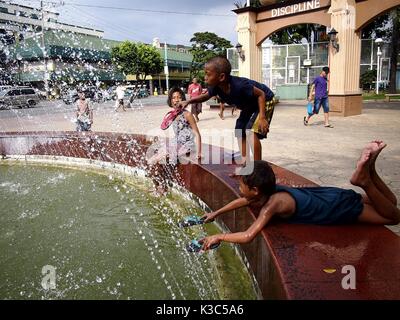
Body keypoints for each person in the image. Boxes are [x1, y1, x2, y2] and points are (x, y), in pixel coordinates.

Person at [200, 141, 400, 250]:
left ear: (255, 190)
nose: (238, 185)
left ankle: (364, 181)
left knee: (394, 217)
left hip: (336, 208)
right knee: (390, 202)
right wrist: (216, 213)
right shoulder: (267, 188)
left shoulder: (272, 205)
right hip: (330, 195)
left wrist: (220, 236)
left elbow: (248, 235)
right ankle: (370, 170)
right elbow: (243, 200)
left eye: (241, 184)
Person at [179, 56, 276, 163]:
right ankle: (245, 163)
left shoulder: (240, 85)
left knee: (250, 131)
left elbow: (261, 94)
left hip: (265, 99)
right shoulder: (215, 87)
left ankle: (258, 167)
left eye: (208, 74)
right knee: (239, 130)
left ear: (221, 77)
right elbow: (205, 96)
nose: (205, 77)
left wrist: (262, 117)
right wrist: (188, 101)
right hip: (250, 105)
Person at [148, 87, 202, 164]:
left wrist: (199, 152)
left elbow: (197, 133)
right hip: (176, 142)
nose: (176, 100)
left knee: (160, 156)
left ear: (183, 100)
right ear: (170, 101)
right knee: (156, 155)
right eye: (174, 98)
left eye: (179, 97)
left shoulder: (187, 114)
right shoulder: (172, 115)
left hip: (186, 145)